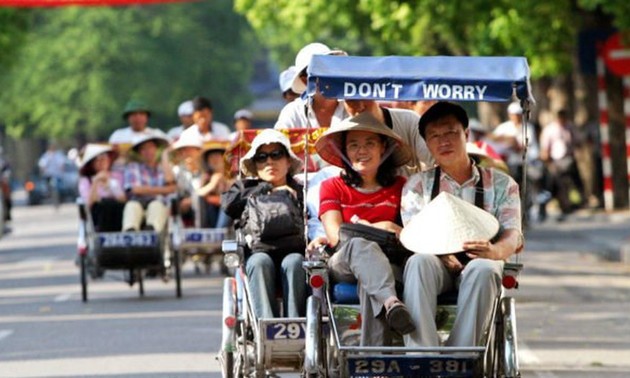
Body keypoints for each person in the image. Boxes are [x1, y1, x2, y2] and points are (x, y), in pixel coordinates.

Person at [400, 101, 523, 347]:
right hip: (436, 262)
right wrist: (443, 255)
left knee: (484, 269)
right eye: (434, 136)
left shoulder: (502, 184)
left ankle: (461, 359)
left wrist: (494, 251)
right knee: (418, 262)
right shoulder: (417, 186)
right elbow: (414, 236)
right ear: (426, 143)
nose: (443, 141)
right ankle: (423, 359)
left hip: (482, 259)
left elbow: (513, 234)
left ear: (466, 134)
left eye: (450, 133)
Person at [309, 112, 416, 346]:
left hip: (389, 265)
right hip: (345, 260)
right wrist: (385, 228)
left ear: (383, 149)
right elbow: (336, 234)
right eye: (354, 145)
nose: (362, 151)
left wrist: (373, 227)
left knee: (370, 281)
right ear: (345, 152)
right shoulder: (331, 186)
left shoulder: (401, 187)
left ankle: (374, 361)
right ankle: (391, 303)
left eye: (369, 144)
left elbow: (411, 233)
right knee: (360, 246)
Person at [221, 129, 306, 319]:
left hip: (294, 252)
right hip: (257, 253)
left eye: (276, 154)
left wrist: (291, 194)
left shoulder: (302, 190)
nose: (269, 161)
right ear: (255, 164)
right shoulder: (244, 188)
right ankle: (268, 331)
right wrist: (266, 188)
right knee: (260, 262)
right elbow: (228, 205)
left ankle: (296, 328)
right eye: (262, 157)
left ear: (288, 160)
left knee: (295, 262)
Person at [343, 99, 434, 176]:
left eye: (365, 99)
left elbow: (431, 164)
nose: (360, 106)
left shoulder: (408, 120)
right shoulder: (341, 131)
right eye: (352, 101)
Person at [274, 43, 348, 129]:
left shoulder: (352, 106)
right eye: (319, 70)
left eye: (330, 67)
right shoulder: (294, 113)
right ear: (305, 80)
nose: (328, 75)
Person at [122, 133, 176, 232]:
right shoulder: (133, 167)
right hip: (138, 203)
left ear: (156, 149)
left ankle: (151, 232)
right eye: (143, 149)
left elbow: (171, 184)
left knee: (156, 205)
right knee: (132, 206)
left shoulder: (164, 167)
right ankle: (130, 234)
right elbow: (135, 189)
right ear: (139, 152)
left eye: (150, 147)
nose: (148, 152)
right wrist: (165, 190)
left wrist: (164, 157)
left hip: (159, 205)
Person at [540, 109, 584, 220]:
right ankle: (547, 208)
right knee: (554, 186)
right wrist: (548, 162)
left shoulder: (570, 128)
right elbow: (545, 148)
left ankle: (572, 205)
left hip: (569, 160)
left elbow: (578, 141)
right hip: (555, 161)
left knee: (573, 184)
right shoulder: (550, 129)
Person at [78, 144, 126, 231]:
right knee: (103, 205)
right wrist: (96, 181)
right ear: (92, 163)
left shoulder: (118, 176)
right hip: (99, 216)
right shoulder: (86, 181)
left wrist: (110, 183)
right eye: (97, 160)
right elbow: (89, 204)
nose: (101, 163)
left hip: (118, 213)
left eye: (104, 159)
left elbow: (122, 198)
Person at [198, 141, 232, 228]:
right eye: (211, 157)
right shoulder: (206, 177)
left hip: (227, 216)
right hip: (209, 215)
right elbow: (198, 194)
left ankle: (219, 231)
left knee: (227, 203)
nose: (214, 160)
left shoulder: (232, 176)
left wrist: (226, 184)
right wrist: (212, 184)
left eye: (217, 156)